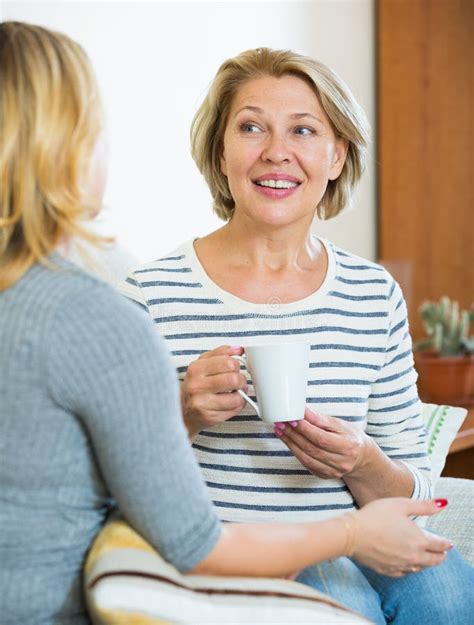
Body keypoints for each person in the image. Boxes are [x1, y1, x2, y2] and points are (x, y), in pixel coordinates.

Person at [120, 47, 474, 624]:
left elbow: (413, 488)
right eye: (251, 126)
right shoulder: (150, 295)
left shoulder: (371, 292)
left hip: (359, 539)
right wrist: (182, 412)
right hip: (227, 557)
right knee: (340, 596)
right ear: (221, 150)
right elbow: (108, 482)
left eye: (303, 130)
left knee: (450, 591)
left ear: (337, 155)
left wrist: (359, 462)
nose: (275, 152)